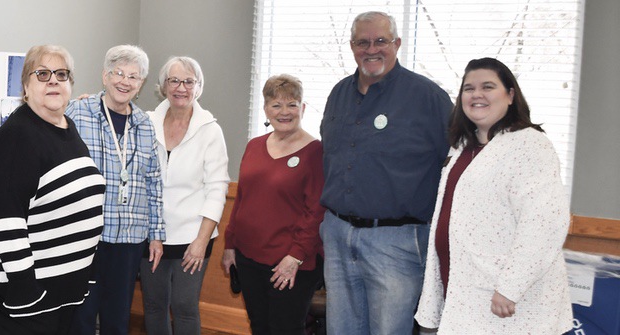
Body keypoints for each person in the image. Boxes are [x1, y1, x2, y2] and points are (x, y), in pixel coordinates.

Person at [414, 57, 572, 334]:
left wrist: (511, 287)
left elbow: (544, 224)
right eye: (468, 88)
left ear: (510, 95)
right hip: (462, 287)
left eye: (488, 86)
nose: (477, 94)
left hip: (505, 298)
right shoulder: (462, 147)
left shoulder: (530, 145)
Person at [0, 44, 106, 335]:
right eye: (42, 74)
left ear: (70, 84)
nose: (53, 80)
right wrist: (25, 292)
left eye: (61, 74)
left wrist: (81, 274)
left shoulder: (66, 127)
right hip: (9, 284)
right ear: (26, 86)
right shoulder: (17, 135)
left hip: (57, 286)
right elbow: (3, 220)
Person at [319, 11, 453, 335]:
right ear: (352, 46)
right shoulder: (338, 94)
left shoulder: (428, 98)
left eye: (381, 41)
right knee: (341, 329)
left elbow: (455, 167)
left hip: (396, 242)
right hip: (338, 235)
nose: (371, 49)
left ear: (397, 43)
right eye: (363, 42)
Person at [65, 45, 165, 335]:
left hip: (129, 238)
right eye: (118, 73)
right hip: (86, 234)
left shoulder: (145, 125)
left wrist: (157, 235)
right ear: (105, 76)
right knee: (81, 317)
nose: (125, 81)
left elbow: (154, 181)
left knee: (118, 318)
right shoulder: (78, 112)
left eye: (133, 76)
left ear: (141, 84)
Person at [221, 74, 323, 334]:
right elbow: (242, 198)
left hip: (289, 263)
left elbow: (316, 212)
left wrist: (295, 257)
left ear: (302, 108)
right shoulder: (254, 146)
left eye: (291, 104)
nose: (284, 112)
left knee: (284, 329)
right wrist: (230, 245)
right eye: (276, 105)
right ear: (266, 109)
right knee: (259, 326)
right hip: (248, 257)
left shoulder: (316, 152)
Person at [143, 56, 230, 335]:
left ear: (198, 87)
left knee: (184, 306)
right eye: (174, 80)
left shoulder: (210, 130)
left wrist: (201, 242)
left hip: (194, 235)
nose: (181, 87)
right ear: (163, 86)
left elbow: (217, 189)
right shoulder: (146, 123)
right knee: (154, 305)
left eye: (188, 81)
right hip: (152, 233)